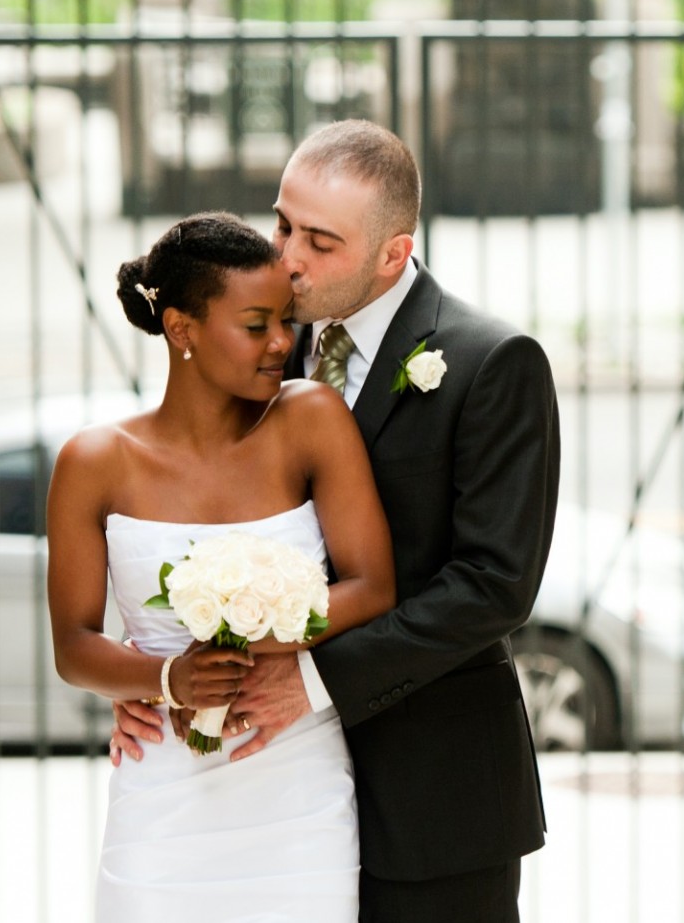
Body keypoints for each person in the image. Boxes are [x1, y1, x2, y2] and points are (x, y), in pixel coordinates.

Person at [111, 120, 562, 922]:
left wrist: (312, 681)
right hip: (267, 799)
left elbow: (494, 585)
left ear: (393, 254)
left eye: (320, 242)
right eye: (283, 224)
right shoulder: (255, 345)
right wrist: (158, 677)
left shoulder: (493, 362)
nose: (287, 257)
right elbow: (197, 512)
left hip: (434, 800)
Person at [47, 211, 396, 918]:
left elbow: (373, 585)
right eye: (256, 323)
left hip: (299, 795)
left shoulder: (311, 419)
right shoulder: (94, 462)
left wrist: (270, 639)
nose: (282, 343)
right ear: (182, 329)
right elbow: (74, 647)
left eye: (286, 320)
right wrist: (167, 677)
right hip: (161, 803)